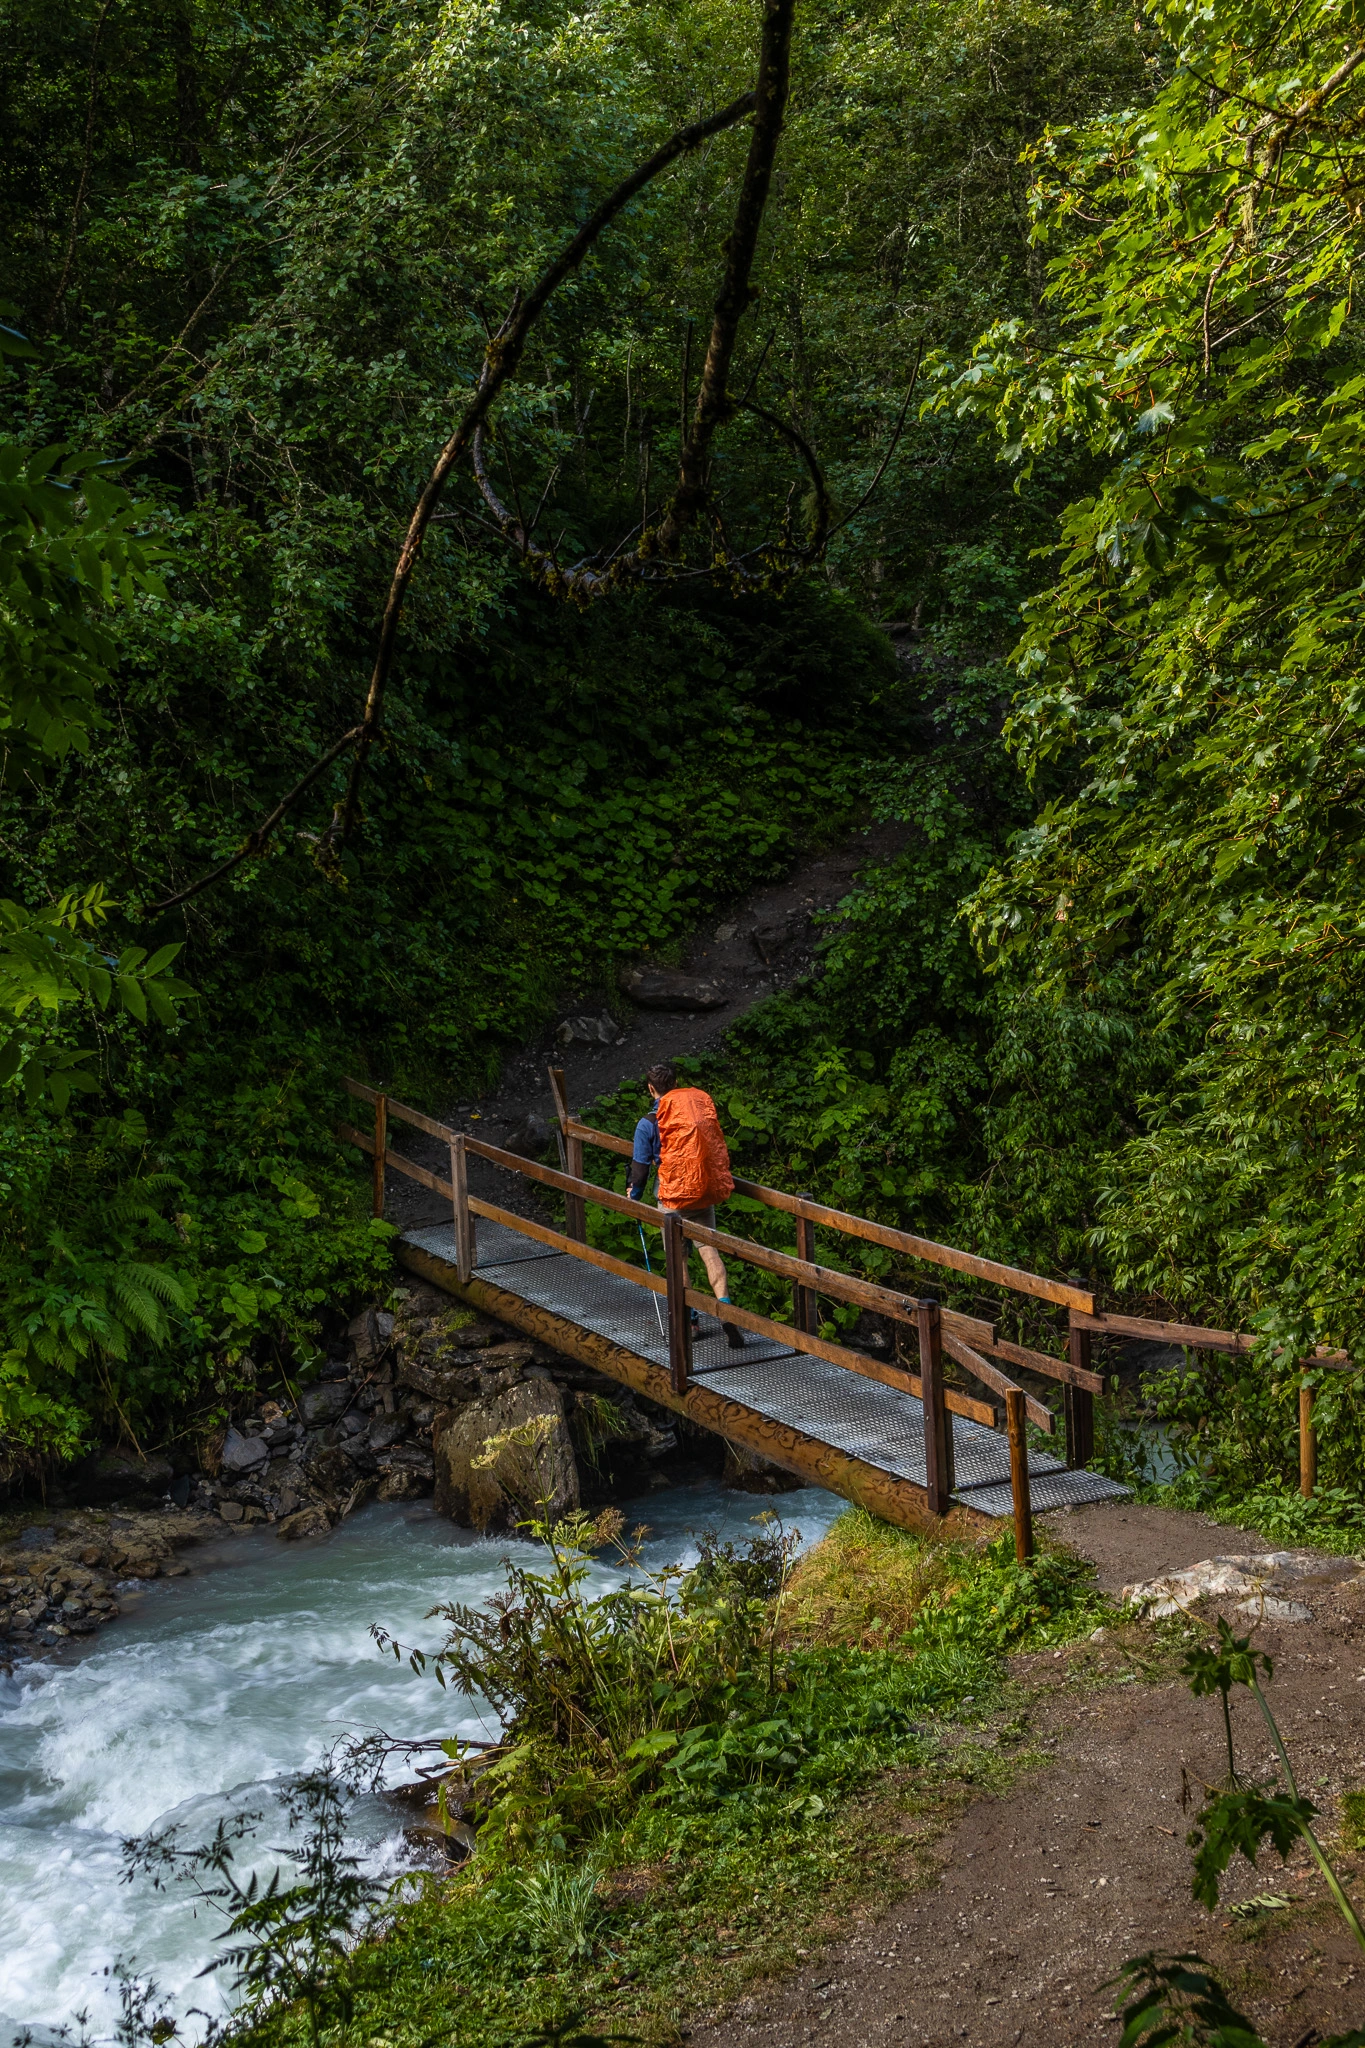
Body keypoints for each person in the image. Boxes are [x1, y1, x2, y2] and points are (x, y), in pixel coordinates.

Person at [626, 1061, 746, 1348]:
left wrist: (634, 1192)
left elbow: (641, 1166)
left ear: (651, 1088)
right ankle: (725, 1309)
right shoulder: (691, 1111)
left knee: (678, 1259)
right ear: (676, 1083)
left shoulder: (648, 1123)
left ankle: (690, 1319)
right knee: (709, 1251)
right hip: (701, 1191)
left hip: (672, 1199)